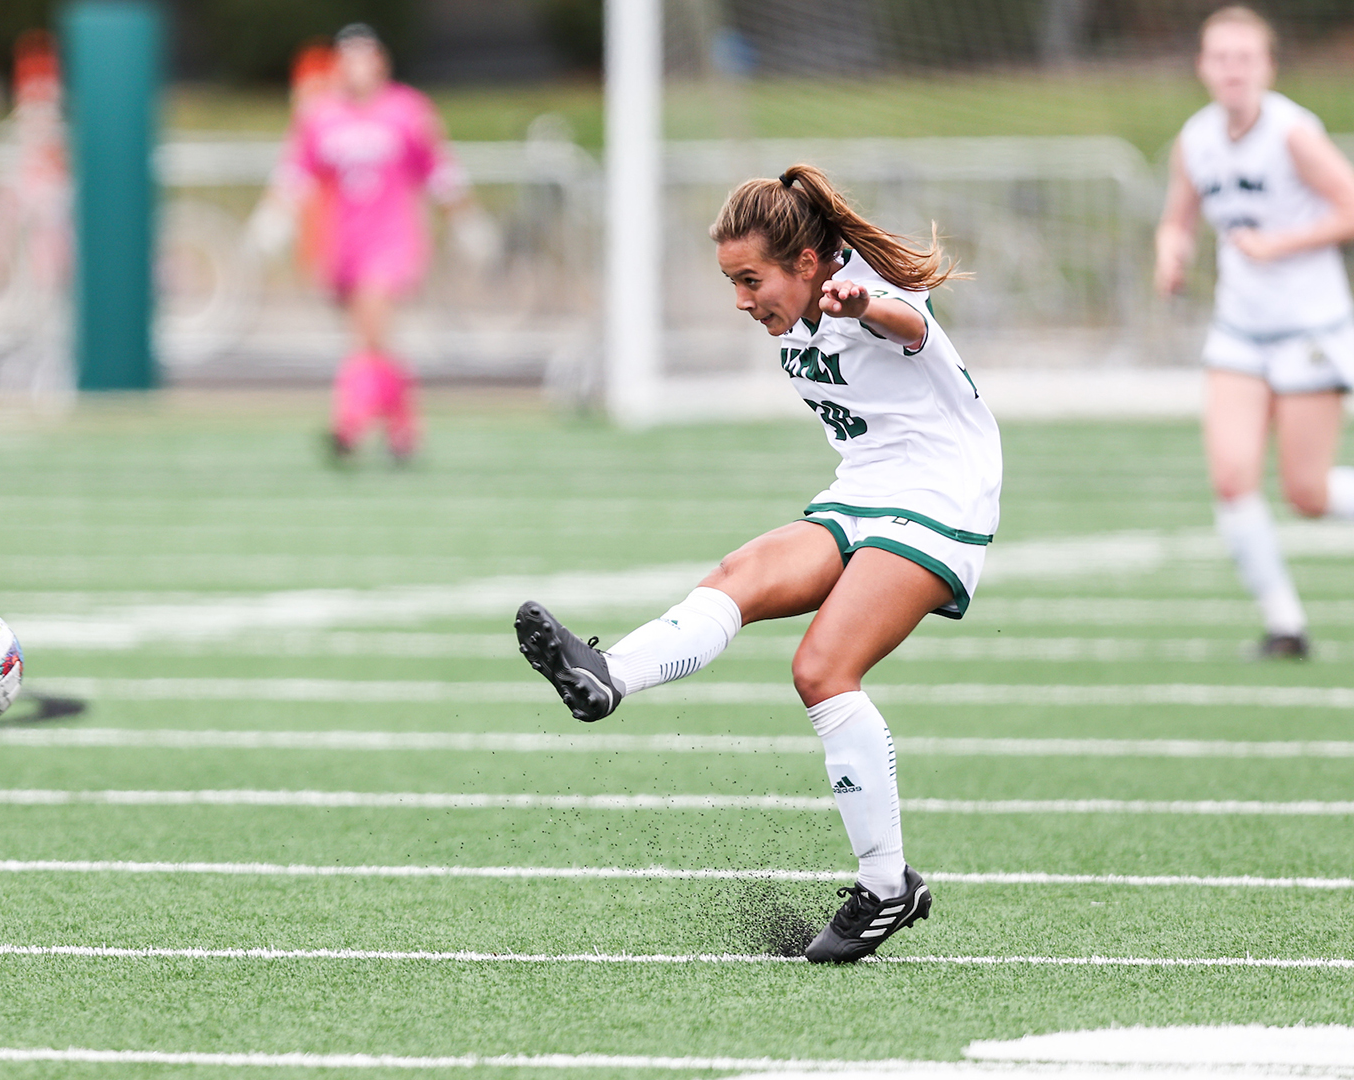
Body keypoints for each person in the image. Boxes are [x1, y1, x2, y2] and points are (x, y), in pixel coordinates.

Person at [515, 165, 1000, 964]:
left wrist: (861, 305)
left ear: (809, 265)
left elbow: (907, 327)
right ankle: (608, 677)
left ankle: (886, 886)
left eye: (751, 280)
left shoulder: (862, 290)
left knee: (821, 670)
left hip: (941, 500)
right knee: (737, 575)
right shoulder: (799, 308)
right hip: (866, 492)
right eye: (731, 281)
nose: (742, 299)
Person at [1155, 5, 1354, 660]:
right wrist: (1172, 252)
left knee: (1308, 493)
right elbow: (1178, 217)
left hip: (1311, 329)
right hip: (1239, 331)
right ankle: (1285, 625)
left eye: (1245, 57)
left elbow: (1349, 208)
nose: (1233, 69)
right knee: (1233, 479)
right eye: (1220, 57)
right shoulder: (1197, 137)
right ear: (1203, 67)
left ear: (1266, 66)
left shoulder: (1293, 132)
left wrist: (1282, 244)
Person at [248, 23, 496, 464]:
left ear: (381, 61)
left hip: (393, 238)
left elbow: (440, 172)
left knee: (370, 335)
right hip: (344, 241)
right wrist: (272, 219)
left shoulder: (408, 111)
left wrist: (466, 220)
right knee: (372, 343)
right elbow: (294, 175)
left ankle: (348, 425)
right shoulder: (320, 114)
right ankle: (404, 429)